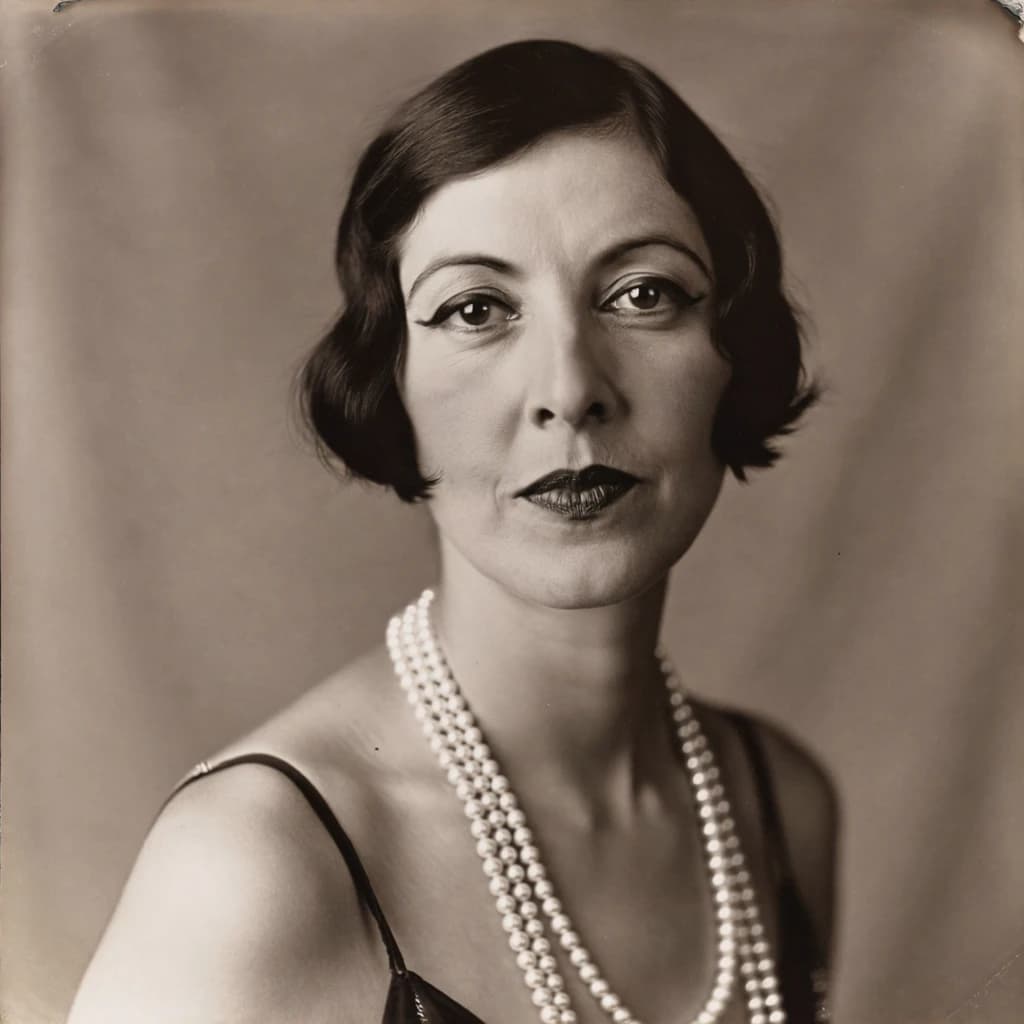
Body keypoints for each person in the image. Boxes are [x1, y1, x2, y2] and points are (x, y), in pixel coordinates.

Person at [67, 38, 837, 1024]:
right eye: (476, 309)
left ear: (734, 350)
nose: (569, 389)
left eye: (643, 293)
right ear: (393, 386)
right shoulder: (253, 870)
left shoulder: (782, 808)